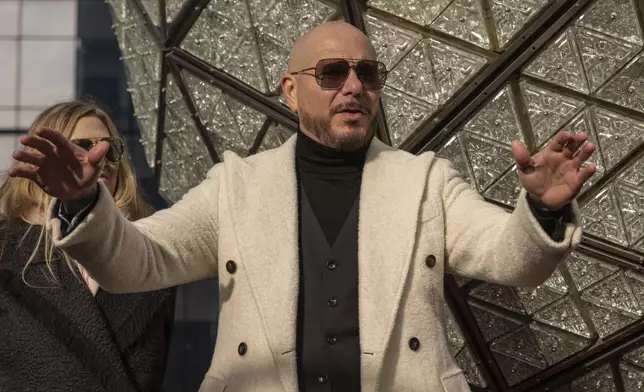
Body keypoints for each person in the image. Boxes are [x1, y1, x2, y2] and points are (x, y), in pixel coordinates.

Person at [9, 22, 596, 392]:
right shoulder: (236, 185)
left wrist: (540, 211)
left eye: (367, 73)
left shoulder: (426, 182)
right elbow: (139, 260)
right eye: (332, 72)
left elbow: (508, 257)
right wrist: (87, 201)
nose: (353, 87)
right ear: (290, 90)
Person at [0, 101, 176, 392]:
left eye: (111, 148)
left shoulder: (152, 252)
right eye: (84, 146)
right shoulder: (7, 249)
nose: (101, 158)